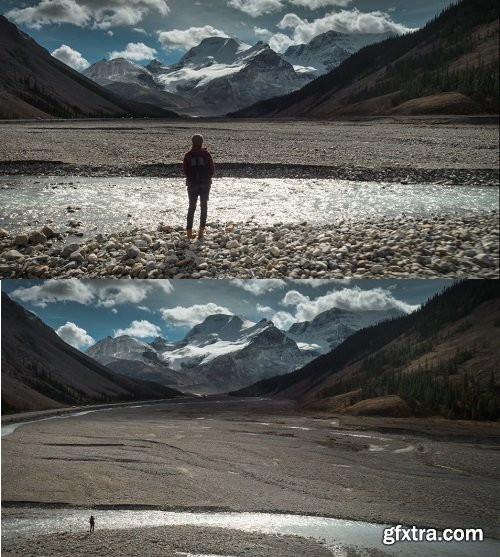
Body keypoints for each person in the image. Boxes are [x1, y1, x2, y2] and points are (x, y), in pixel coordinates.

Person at [182, 134, 215, 240]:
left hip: (192, 185)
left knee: (192, 207)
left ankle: (189, 233)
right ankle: (201, 232)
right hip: (205, 184)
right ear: (202, 143)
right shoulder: (206, 154)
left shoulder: (188, 155)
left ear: (192, 142)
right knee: (204, 206)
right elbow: (212, 170)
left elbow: (185, 171)